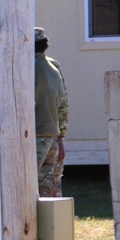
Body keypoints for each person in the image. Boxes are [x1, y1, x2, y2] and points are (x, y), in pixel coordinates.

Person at [34, 27, 69, 197]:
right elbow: (62, 105)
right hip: (52, 136)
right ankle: (51, 223)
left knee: (27, 186)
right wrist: (60, 137)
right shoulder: (54, 67)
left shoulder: (27, 67)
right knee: (49, 188)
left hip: (34, 135)